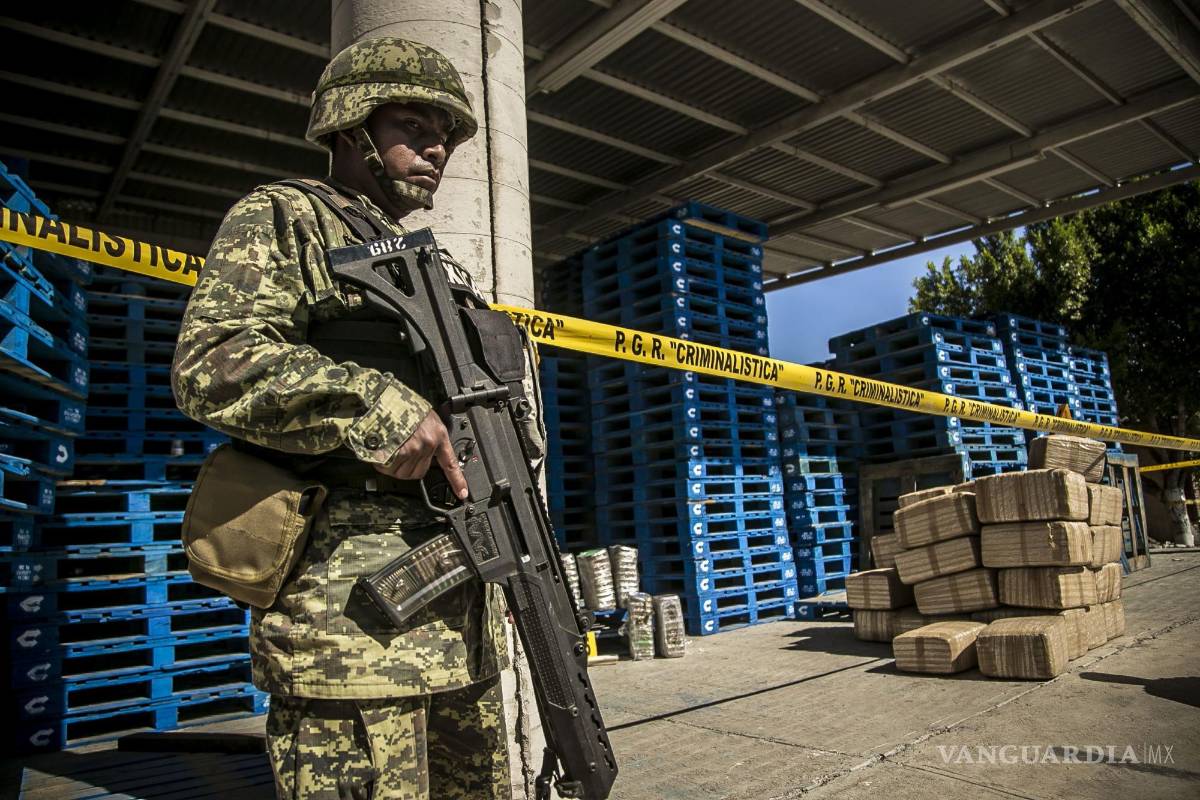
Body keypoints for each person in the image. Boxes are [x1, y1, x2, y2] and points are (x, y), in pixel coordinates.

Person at [172, 37, 541, 800]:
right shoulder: (288, 218)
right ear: (351, 126)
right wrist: (378, 405)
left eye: (446, 134)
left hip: (464, 624)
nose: (437, 148)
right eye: (413, 125)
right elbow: (212, 363)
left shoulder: (433, 267)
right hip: (349, 631)